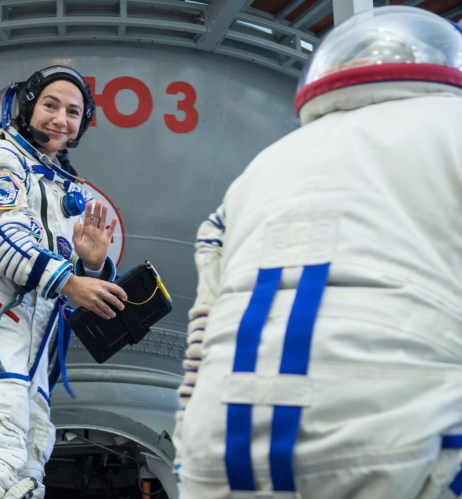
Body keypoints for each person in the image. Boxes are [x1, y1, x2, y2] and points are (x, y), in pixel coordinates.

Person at [173, 6, 462, 499]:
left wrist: (188, 454)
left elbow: (202, 331)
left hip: (220, 454)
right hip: (399, 437)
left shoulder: (261, 168)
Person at [0, 65, 127, 499]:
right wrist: (71, 282)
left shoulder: (57, 187)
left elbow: (56, 278)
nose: (61, 119)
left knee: (27, 465)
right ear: (26, 108)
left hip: (28, 340)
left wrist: (90, 264)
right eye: (50, 105)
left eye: (73, 112)